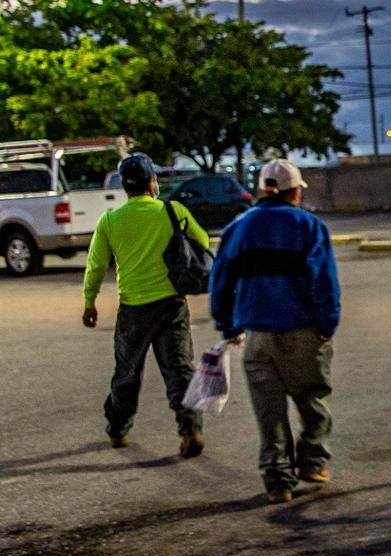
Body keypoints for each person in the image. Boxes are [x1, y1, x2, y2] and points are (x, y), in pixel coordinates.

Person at [209, 159, 340, 504]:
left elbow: (221, 280)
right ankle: (312, 462)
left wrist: (227, 325)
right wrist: (327, 324)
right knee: (313, 399)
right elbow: (324, 281)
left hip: (257, 336)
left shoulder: (238, 228)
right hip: (304, 331)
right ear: (294, 191)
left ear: (263, 190)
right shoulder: (310, 226)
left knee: (269, 412)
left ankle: (278, 481)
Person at [82, 153, 209, 457]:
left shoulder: (110, 221)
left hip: (133, 309)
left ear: (126, 187)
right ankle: (190, 429)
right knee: (180, 370)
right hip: (172, 305)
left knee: (127, 372)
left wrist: (89, 302)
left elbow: (96, 266)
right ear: (152, 182)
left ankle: (118, 430)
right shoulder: (173, 211)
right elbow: (202, 241)